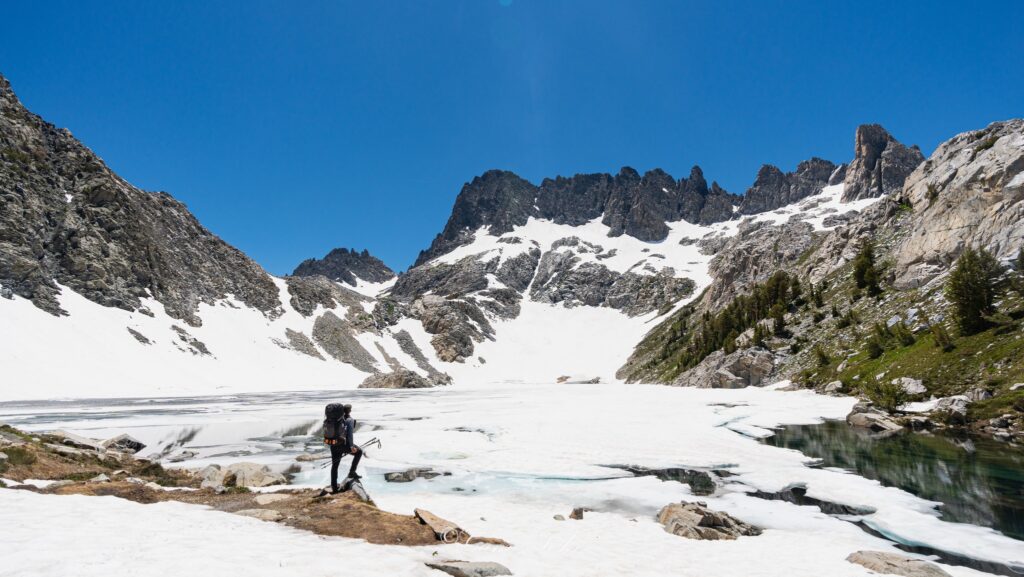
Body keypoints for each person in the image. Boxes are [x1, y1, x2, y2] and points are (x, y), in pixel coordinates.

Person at [329, 403, 363, 492]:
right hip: (344, 445)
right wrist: (351, 447)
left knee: (335, 466)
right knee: (359, 452)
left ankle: (334, 486)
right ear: (350, 410)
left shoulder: (336, 419)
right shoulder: (349, 420)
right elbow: (350, 435)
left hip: (333, 445)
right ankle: (352, 472)